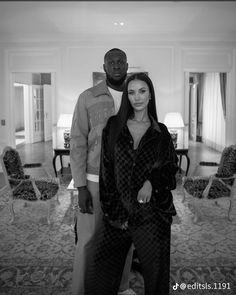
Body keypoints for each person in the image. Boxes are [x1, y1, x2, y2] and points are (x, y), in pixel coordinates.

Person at [84, 73, 179, 295]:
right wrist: (113, 212)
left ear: (150, 95)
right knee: (101, 278)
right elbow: (106, 171)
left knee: (156, 280)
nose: (137, 97)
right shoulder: (113, 126)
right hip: (117, 215)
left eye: (142, 91)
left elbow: (170, 170)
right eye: (132, 92)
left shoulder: (161, 132)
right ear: (127, 96)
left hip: (152, 215)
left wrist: (151, 183)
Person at [70, 48, 136, 295]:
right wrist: (81, 186)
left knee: (125, 237)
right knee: (88, 239)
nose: (117, 65)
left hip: (127, 182)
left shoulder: (136, 95)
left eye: (121, 61)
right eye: (112, 62)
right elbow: (77, 142)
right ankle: (80, 290)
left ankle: (121, 286)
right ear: (105, 66)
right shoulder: (87, 97)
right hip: (95, 180)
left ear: (127, 65)